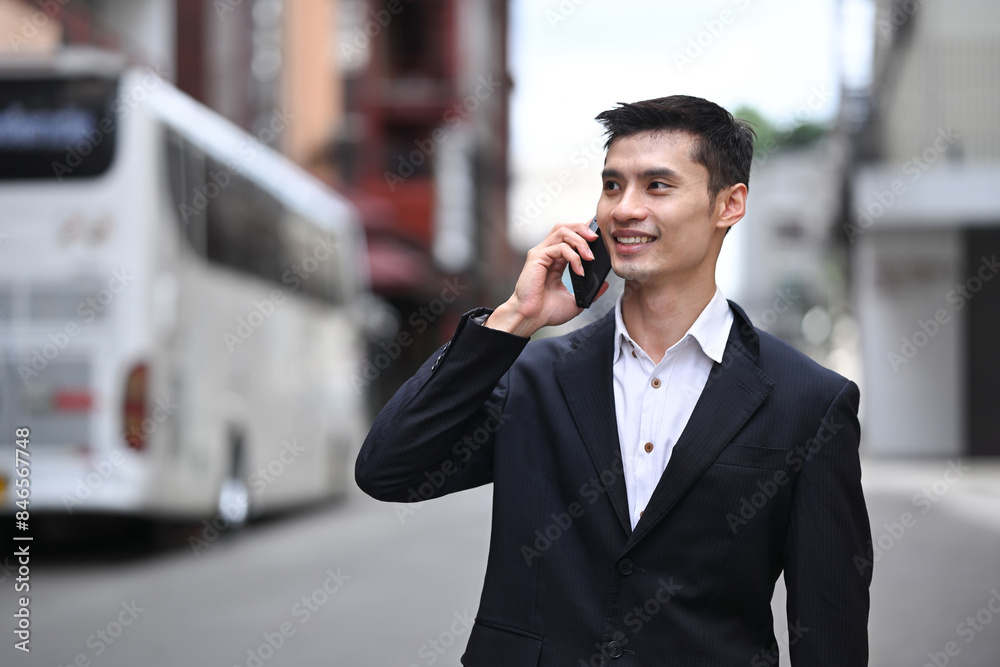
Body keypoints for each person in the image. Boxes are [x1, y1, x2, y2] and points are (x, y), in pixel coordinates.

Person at [356, 95, 872, 666]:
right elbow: (389, 469)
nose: (625, 208)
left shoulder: (809, 401)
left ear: (729, 204)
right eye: (611, 185)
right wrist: (515, 319)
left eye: (657, 186)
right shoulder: (532, 378)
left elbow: (829, 626)